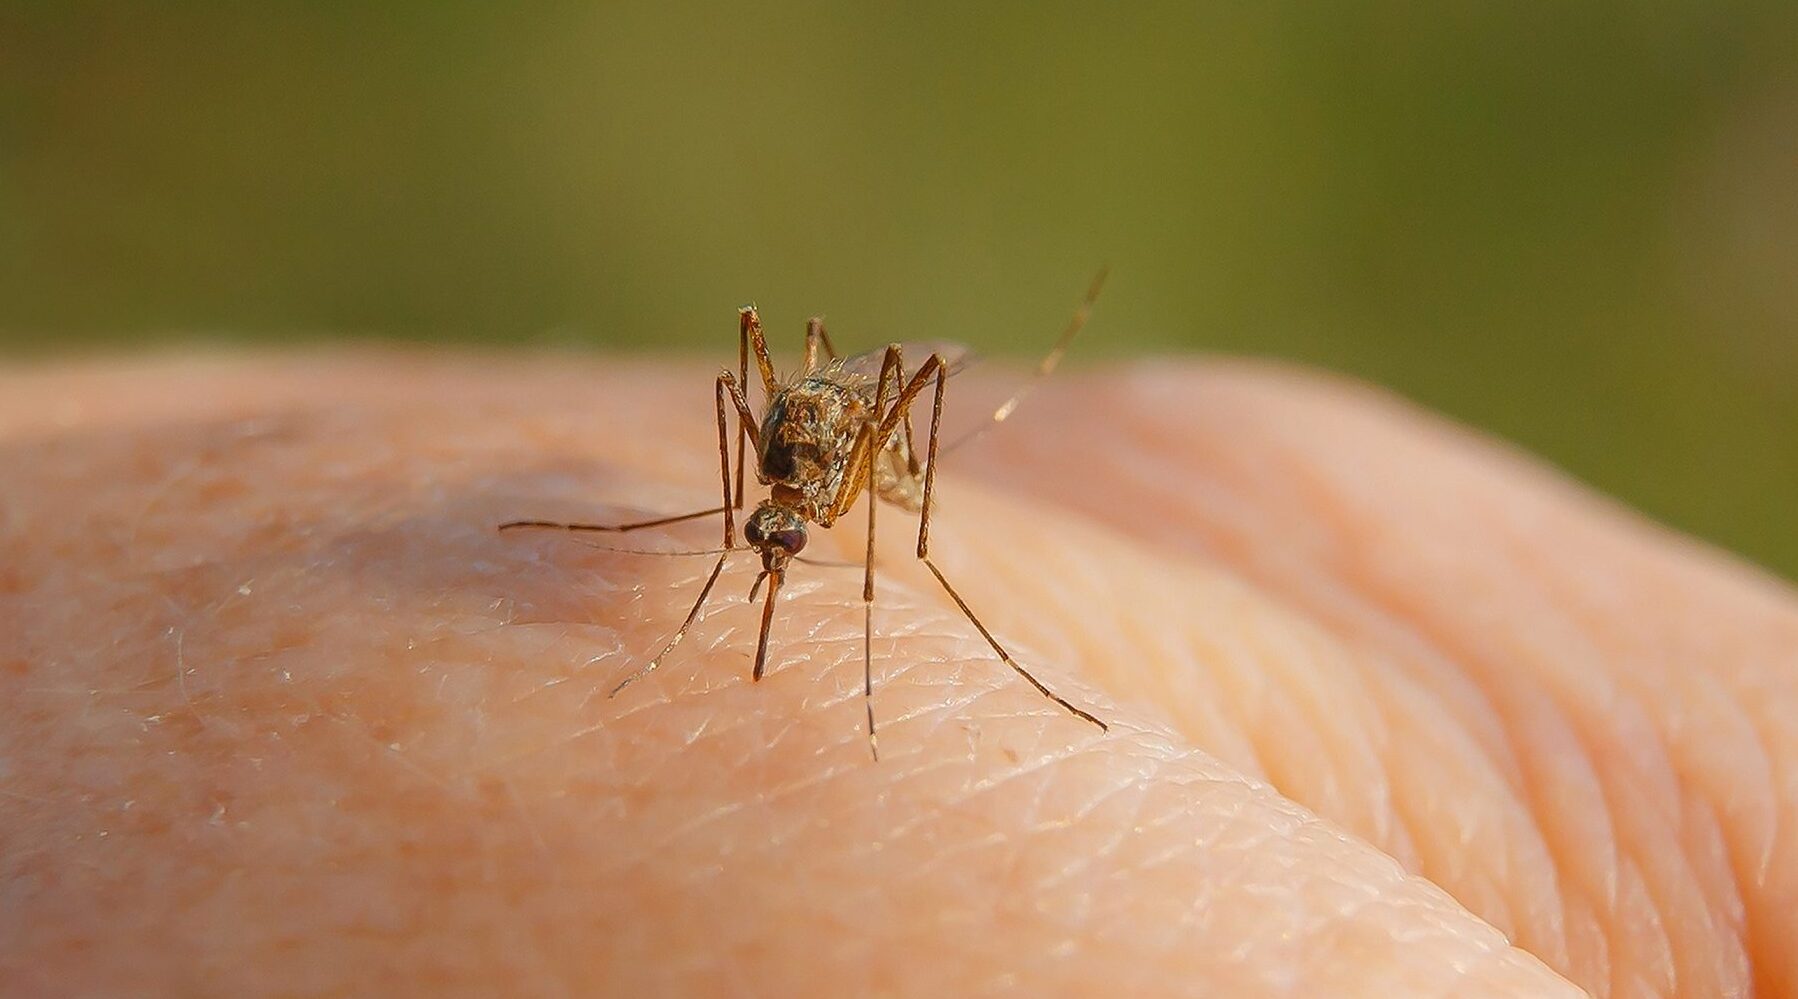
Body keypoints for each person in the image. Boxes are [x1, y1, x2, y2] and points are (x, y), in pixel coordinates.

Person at [2, 353, 1790, 997]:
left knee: (879, 458)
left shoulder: (838, 485)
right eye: (768, 552)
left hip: (857, 444)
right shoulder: (760, 479)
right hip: (795, 438)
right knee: (757, 386)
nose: (768, 572)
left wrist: (881, 547)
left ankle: (914, 560)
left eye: (766, 551)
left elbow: (849, 443)